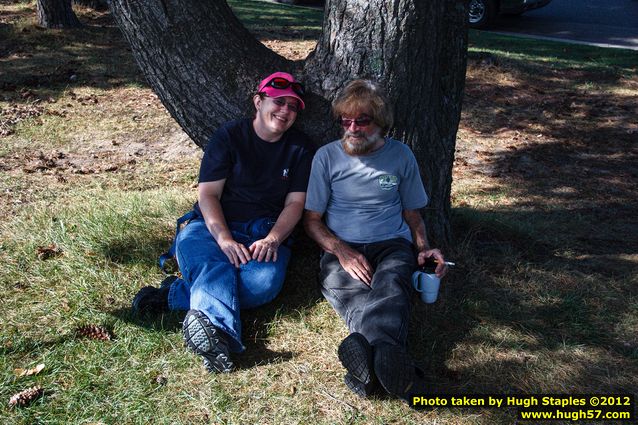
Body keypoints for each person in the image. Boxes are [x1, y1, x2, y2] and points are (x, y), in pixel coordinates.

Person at [132, 72, 314, 373]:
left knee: (262, 283)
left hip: (264, 230)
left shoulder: (300, 148)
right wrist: (225, 240)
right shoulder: (229, 136)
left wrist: (273, 238)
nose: (285, 111)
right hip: (210, 226)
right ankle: (221, 340)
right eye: (278, 102)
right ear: (258, 101)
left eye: (293, 107)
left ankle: (175, 294)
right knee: (212, 266)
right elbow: (208, 195)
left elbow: (295, 203)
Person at [303, 79, 448, 401]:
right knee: (353, 296)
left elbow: (413, 213)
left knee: (392, 286)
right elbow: (311, 220)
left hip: (392, 244)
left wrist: (423, 248)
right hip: (342, 247)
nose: (352, 128)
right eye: (345, 121)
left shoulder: (401, 155)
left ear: (381, 123)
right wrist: (341, 250)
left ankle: (368, 367)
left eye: (362, 121)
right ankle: (397, 368)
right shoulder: (327, 157)